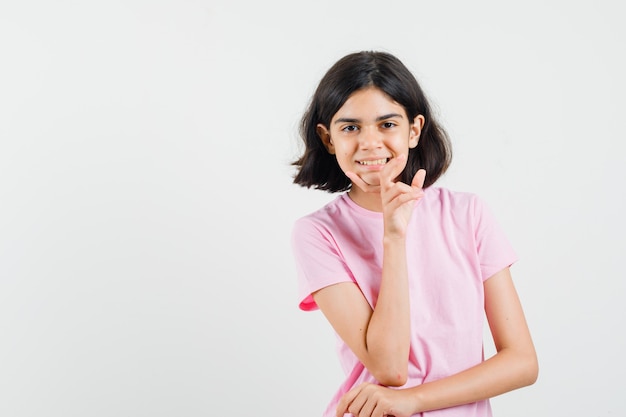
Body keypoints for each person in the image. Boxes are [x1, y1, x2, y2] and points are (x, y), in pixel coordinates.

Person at [290, 50, 538, 417]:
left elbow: (522, 362)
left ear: (414, 130)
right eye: (350, 127)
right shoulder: (317, 233)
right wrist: (394, 237)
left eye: (387, 124)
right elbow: (389, 368)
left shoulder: (467, 214)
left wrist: (414, 399)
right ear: (328, 139)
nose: (370, 143)